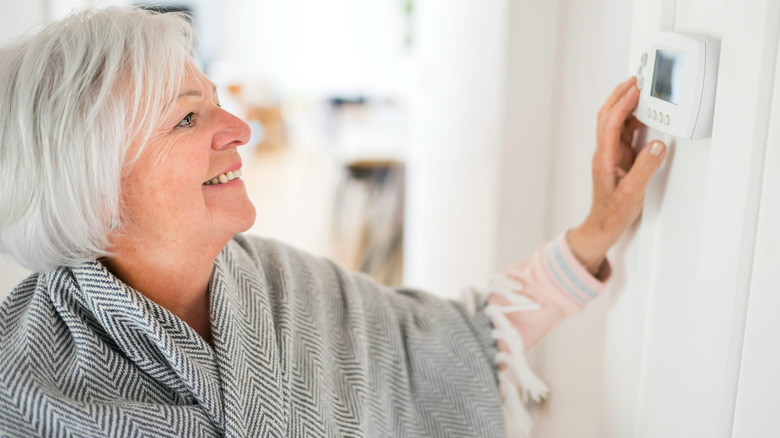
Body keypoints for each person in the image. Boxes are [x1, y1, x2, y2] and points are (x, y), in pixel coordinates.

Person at [0, 7, 666, 438]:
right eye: (187, 117)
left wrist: (595, 231)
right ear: (92, 198)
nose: (240, 129)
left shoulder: (283, 286)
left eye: (217, 102)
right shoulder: (23, 392)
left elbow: (455, 341)